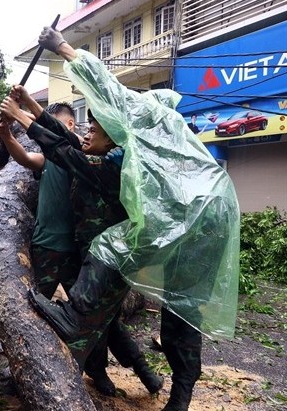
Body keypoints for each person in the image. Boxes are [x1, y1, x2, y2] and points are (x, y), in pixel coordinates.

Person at [32, 27, 239, 411]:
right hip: (210, 214)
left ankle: (74, 317)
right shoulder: (165, 134)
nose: (95, 124)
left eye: (98, 119)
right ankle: (180, 396)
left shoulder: (141, 117)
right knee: (183, 306)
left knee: (110, 245)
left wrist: (60, 46)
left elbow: (105, 85)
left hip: (193, 218)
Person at [0, 98, 161, 396]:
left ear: (110, 139)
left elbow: (63, 149)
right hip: (80, 253)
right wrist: (30, 105)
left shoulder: (106, 165)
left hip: (103, 261)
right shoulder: (97, 154)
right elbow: (63, 140)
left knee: (92, 324)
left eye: (93, 130)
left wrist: (19, 115)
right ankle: (140, 373)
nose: (86, 134)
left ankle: (78, 379)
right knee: (98, 320)